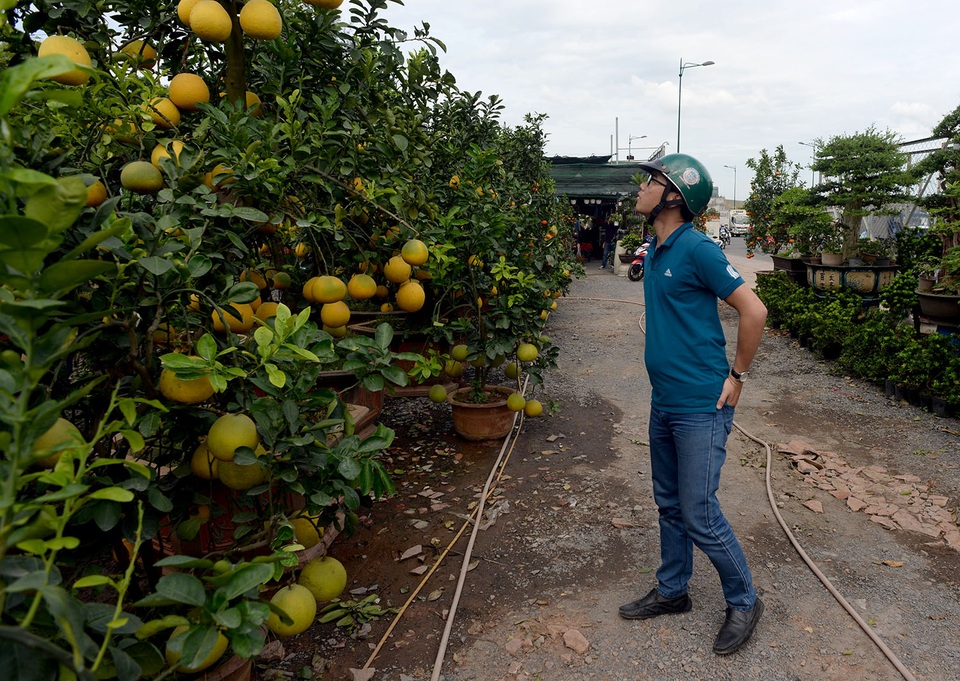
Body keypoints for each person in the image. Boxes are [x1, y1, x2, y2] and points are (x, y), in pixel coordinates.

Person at [619, 153, 768, 656]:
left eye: (651, 181)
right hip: (665, 402)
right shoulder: (657, 248)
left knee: (700, 511)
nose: (641, 188)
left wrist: (738, 377)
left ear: (674, 197)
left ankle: (744, 598)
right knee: (669, 504)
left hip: (702, 404)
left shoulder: (699, 249)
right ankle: (673, 591)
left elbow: (754, 310)